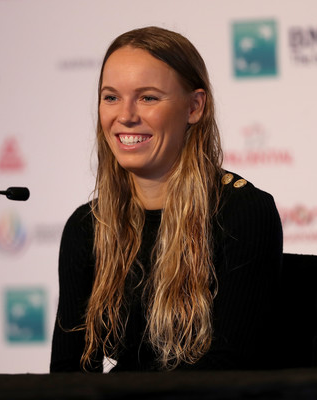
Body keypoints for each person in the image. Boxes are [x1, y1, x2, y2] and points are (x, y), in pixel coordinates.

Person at [50, 26, 283, 372]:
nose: (125, 115)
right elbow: (68, 374)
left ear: (194, 106)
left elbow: (229, 372)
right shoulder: (86, 226)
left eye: (148, 97)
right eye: (111, 97)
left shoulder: (244, 212)